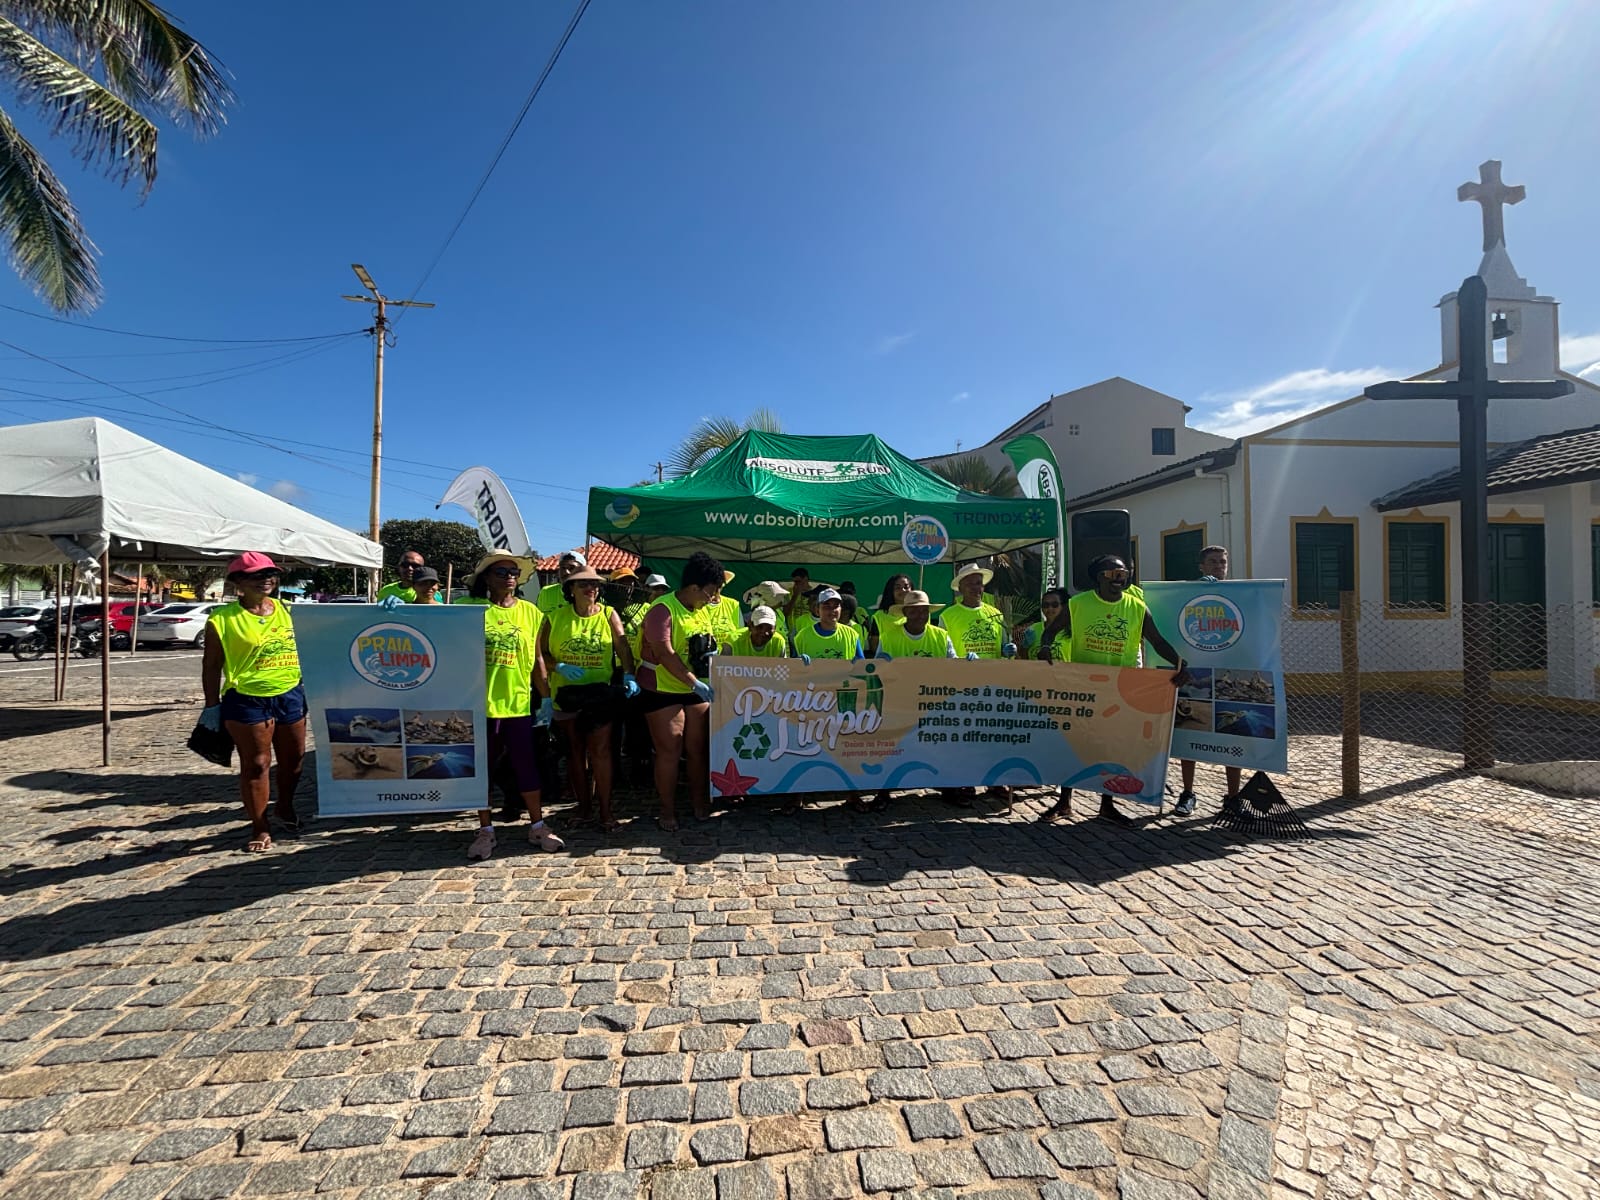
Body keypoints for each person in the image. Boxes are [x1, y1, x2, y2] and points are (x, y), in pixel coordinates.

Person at [1039, 554, 1188, 824]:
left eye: (1124, 573)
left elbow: (1157, 640)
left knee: (1111, 748)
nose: (1119, 577)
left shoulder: (1137, 607)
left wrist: (1180, 664)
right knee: (1075, 744)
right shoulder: (1078, 604)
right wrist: (1045, 646)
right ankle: (1064, 802)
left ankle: (1106, 805)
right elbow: (1051, 631)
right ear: (1098, 576)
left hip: (1120, 690)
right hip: (1083, 687)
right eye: (1112, 573)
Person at [455, 553, 562, 859]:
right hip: (479, 705)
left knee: (527, 768)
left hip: (518, 704)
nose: (509, 577)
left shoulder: (531, 613)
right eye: (501, 572)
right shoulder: (468, 609)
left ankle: (538, 824)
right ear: (486, 578)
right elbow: (431, 620)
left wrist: (547, 698)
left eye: (513, 572)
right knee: (483, 772)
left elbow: (537, 659)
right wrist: (396, 611)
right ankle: (486, 830)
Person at [199, 553, 305, 853]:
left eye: (271, 573)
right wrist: (211, 705)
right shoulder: (222, 619)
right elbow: (211, 665)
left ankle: (284, 807)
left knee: (294, 760)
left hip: (290, 693)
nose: (267, 578)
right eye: (258, 575)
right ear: (238, 583)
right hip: (247, 698)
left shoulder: (288, 611)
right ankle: (260, 826)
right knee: (257, 763)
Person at [540, 567, 636, 832]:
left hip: (599, 695)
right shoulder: (555, 617)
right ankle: (583, 809)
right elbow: (540, 653)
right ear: (570, 589)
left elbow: (623, 646)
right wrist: (557, 666)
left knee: (601, 754)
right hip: (566, 696)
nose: (590, 589)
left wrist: (629, 674)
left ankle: (605, 811)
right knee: (574, 754)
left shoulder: (608, 614)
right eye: (583, 584)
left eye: (594, 584)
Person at [638, 551, 723, 830]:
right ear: (694, 587)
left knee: (698, 748)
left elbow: (707, 646)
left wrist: (714, 652)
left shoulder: (701, 611)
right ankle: (667, 809)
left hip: (692, 687)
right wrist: (693, 682)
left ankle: (699, 802)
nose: (713, 598)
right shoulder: (662, 609)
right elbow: (664, 652)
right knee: (670, 748)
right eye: (711, 592)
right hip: (662, 688)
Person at [1174, 545, 1243, 816]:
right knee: (1189, 735)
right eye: (1212, 562)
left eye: (1222, 563)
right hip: (1196, 673)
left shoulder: (1239, 597)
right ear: (1201, 567)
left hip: (1227, 672)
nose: (1218, 567)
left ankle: (1233, 797)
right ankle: (1188, 793)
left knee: (1231, 738)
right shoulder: (1191, 593)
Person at [942, 564, 1016, 661]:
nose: (975, 588)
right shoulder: (947, 616)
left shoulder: (996, 614)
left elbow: (1005, 647)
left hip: (993, 672)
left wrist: (1009, 650)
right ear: (960, 589)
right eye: (969, 584)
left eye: (978, 583)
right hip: (961, 673)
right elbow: (942, 651)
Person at [874, 589, 956, 659]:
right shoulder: (888, 639)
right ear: (905, 612)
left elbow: (956, 666)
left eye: (924, 611)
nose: (920, 616)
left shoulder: (941, 637)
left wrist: (966, 661)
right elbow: (877, 670)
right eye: (913, 612)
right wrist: (880, 663)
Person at [791, 588, 863, 661]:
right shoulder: (802, 637)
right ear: (817, 610)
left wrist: (858, 663)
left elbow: (863, 665)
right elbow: (792, 666)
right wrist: (797, 661)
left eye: (836, 606)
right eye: (827, 606)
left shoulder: (851, 635)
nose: (832, 610)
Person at [866, 574, 913, 658]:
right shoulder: (879, 616)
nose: (903, 590)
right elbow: (874, 646)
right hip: (889, 666)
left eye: (906, 587)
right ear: (890, 591)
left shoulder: (921, 614)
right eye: (898, 588)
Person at [1023, 588, 1070, 661]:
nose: (1050, 608)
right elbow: (1023, 658)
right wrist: (1024, 647)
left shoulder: (1071, 631)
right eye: (1045, 605)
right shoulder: (1033, 629)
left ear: (1063, 607)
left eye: (1055, 605)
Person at [536, 551, 587, 617]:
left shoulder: (589, 593)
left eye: (572, 568)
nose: (566, 572)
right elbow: (540, 620)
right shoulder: (546, 592)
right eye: (563, 568)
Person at [705, 570, 743, 653]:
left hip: (729, 661)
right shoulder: (698, 604)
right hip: (705, 658)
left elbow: (741, 634)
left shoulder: (733, 604)